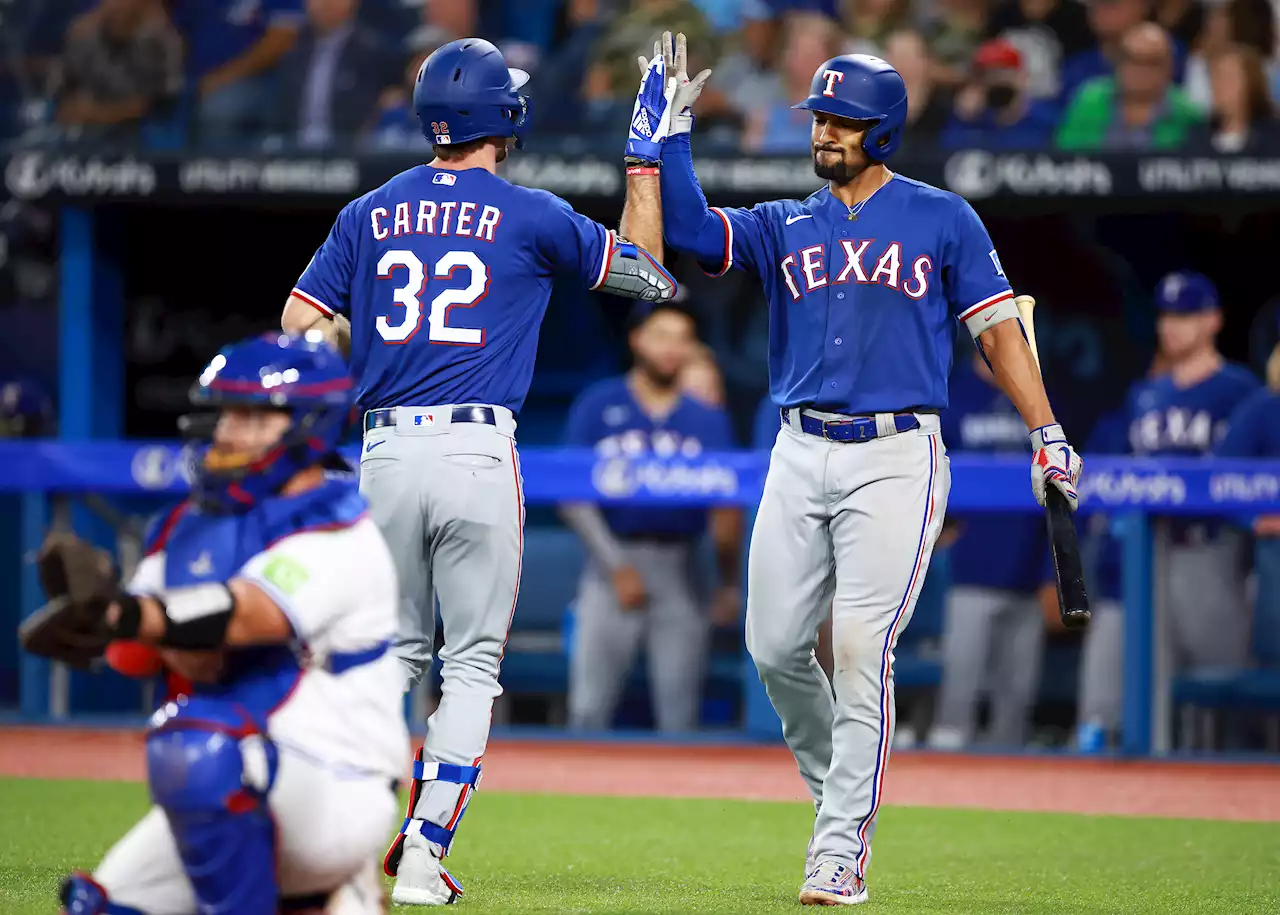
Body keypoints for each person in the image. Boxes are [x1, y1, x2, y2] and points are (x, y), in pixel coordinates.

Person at [650, 33, 1081, 905]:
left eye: (842, 122)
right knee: (772, 648)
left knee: (859, 647)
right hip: (798, 447)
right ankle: (839, 791)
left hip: (896, 454)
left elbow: (998, 333)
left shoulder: (943, 217)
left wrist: (1048, 430)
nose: (824, 133)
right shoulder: (785, 221)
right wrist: (671, 139)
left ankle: (840, 847)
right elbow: (694, 232)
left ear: (881, 132)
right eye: (820, 118)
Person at [279, 37, 677, 906]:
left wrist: (360, 350)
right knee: (471, 662)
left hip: (380, 450)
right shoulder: (531, 213)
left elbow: (300, 323)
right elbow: (650, 277)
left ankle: (331, 831)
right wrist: (644, 163)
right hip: (474, 449)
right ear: (505, 117)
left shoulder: (370, 211)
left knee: (384, 654)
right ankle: (423, 854)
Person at [42, 332, 406, 915]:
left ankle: (333, 883)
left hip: (339, 782)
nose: (231, 431)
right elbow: (132, 655)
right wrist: (102, 621)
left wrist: (128, 616)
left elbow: (246, 616)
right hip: (241, 771)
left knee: (194, 746)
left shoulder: (340, 531)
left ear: (309, 427)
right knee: (96, 905)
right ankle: (318, 900)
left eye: (256, 416)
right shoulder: (186, 527)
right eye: (229, 412)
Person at [560, 302, 742, 733]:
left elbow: (727, 506)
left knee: (679, 718)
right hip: (609, 566)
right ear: (637, 339)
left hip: (683, 566)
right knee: (587, 711)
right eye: (661, 336)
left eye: (683, 339)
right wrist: (616, 566)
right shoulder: (599, 403)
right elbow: (569, 492)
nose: (671, 349)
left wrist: (727, 581)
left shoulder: (707, 419)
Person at [1123, 272, 1260, 675]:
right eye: (1166, 316)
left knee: (1219, 676)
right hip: (1149, 549)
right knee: (1150, 679)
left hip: (1212, 549)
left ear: (1213, 320)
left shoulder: (1241, 390)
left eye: (1184, 316)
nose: (1171, 326)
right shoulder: (1145, 395)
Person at [926, 349, 1050, 750]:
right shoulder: (952, 394)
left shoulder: (1038, 398)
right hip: (968, 573)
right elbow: (924, 472)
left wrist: (1052, 576)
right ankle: (943, 795)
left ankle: (1009, 800)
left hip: (1027, 578)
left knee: (1014, 711)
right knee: (956, 708)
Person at [270, 0, 399, 149]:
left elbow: (388, 100)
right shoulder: (293, 49)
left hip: (350, 153)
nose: (324, 3)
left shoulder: (373, 51)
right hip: (294, 153)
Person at [1056, 22, 1203, 151]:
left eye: (1151, 62)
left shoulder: (1186, 114)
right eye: (1131, 59)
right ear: (1118, 63)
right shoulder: (1089, 100)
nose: (1139, 70)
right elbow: (1068, 158)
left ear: (1169, 68)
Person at [49, 0, 182, 141]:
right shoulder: (83, 38)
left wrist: (100, 114)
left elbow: (154, 104)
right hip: (81, 131)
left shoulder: (160, 43)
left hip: (137, 135)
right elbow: (61, 91)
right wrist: (71, 108)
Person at [940, 37, 1059, 149]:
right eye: (986, 74)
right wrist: (963, 119)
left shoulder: (1045, 119)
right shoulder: (971, 122)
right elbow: (945, 157)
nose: (995, 80)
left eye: (1003, 71)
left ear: (1022, 78)